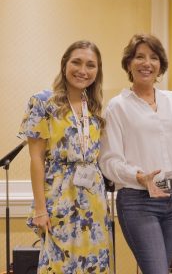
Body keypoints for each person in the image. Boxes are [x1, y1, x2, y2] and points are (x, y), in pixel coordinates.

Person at [18, 40, 114, 273]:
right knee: (58, 265)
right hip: (59, 197)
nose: (83, 70)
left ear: (97, 71)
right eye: (77, 62)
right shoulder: (43, 102)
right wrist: (40, 209)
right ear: (64, 65)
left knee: (94, 265)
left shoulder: (94, 106)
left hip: (94, 200)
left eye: (91, 65)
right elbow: (36, 159)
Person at [99, 34, 172, 274]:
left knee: (163, 269)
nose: (147, 63)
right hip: (139, 201)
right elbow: (108, 161)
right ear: (129, 63)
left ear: (160, 66)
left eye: (153, 57)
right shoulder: (118, 106)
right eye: (139, 57)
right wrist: (138, 176)